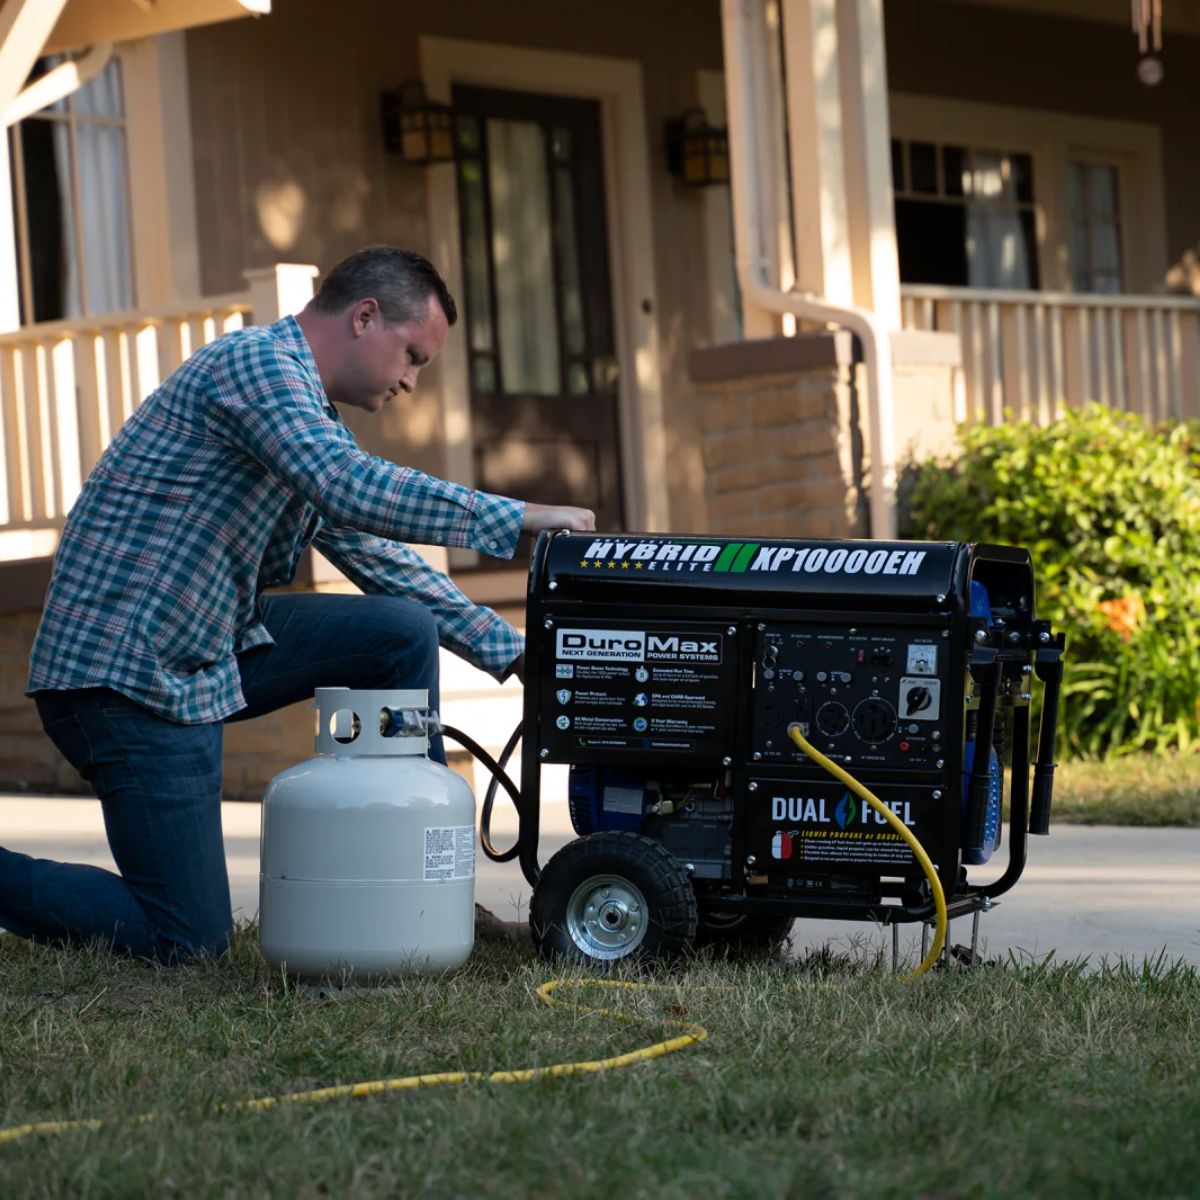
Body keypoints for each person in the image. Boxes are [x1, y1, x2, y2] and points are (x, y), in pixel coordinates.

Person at [0, 245, 594, 963]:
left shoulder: (304, 426)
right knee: (187, 941)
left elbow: (385, 563)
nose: (410, 382)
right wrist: (521, 516)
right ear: (365, 315)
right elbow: (347, 485)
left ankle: (425, 886)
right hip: (124, 680)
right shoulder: (256, 367)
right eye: (412, 357)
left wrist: (517, 656)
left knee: (399, 632)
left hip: (204, 654)